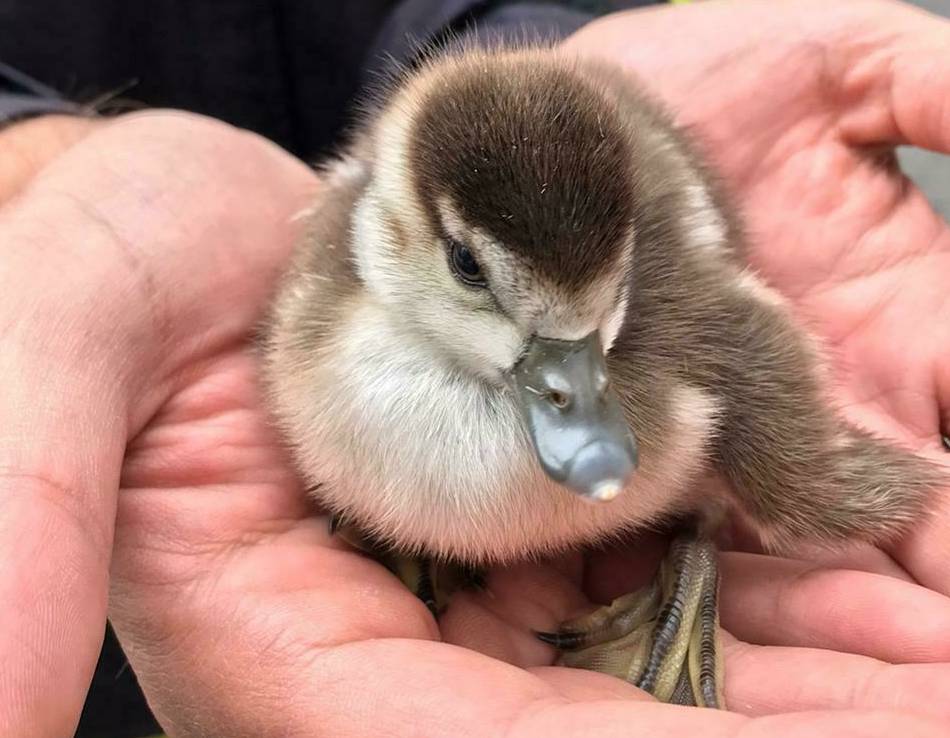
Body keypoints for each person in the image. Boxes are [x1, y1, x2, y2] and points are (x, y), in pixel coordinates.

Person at [1, 0, 949, 736]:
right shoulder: (327, 311)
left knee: (776, 468)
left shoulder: (669, 329)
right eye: (469, 273)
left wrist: (810, 477)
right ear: (396, 230)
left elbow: (744, 349)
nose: (581, 412)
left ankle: (684, 566)